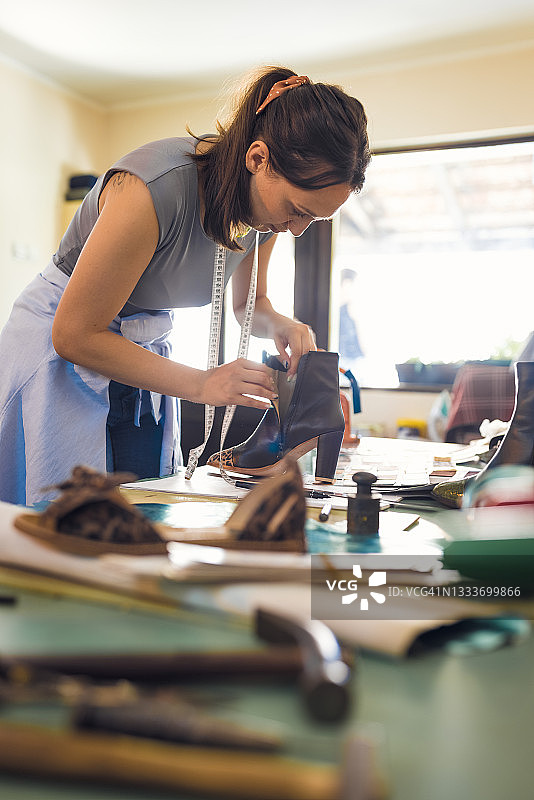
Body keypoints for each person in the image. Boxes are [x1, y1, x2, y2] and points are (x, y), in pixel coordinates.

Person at [0, 66, 371, 505]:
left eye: (314, 218)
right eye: (298, 210)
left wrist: (279, 325)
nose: (297, 229)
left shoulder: (267, 218)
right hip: (60, 347)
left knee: (144, 512)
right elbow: (74, 333)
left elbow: (250, 306)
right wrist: (201, 384)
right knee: (60, 523)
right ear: (258, 159)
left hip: (139, 354)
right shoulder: (152, 188)